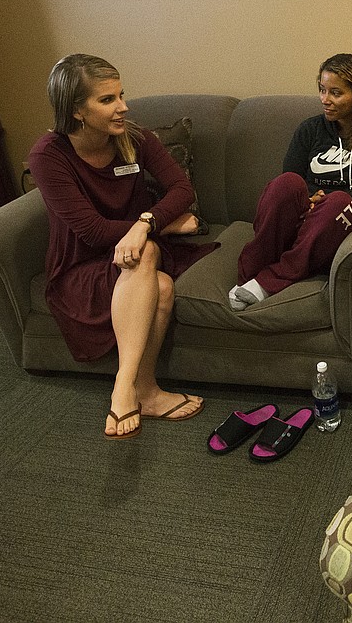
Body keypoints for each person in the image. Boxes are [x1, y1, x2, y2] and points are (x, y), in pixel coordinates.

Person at [28, 54, 217, 440]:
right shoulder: (48, 156)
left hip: (135, 251)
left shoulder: (133, 137)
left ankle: (127, 387)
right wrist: (160, 228)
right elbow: (93, 232)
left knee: (144, 254)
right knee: (159, 282)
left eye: (121, 94)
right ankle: (139, 389)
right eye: (108, 100)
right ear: (76, 110)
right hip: (82, 265)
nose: (123, 107)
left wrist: (147, 223)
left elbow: (182, 189)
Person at [229, 53, 352, 310]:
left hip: (337, 221)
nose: (325, 100)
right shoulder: (310, 129)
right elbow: (292, 174)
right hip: (304, 214)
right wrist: (313, 195)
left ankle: (268, 282)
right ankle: (250, 271)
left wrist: (343, 197)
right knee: (286, 183)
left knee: (339, 201)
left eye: (336, 93)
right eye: (322, 90)